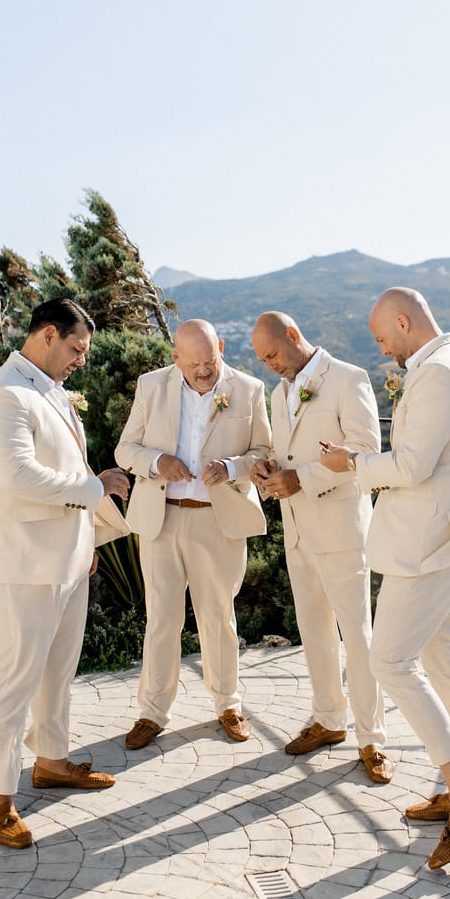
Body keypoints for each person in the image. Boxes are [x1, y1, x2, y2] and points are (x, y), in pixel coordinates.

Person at [321, 287, 450, 870]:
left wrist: (350, 463)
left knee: (390, 661)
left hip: (427, 544)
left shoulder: (440, 374)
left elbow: (410, 465)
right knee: (445, 662)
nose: (382, 350)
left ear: (403, 322)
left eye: (382, 337)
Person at [0, 298, 130, 849]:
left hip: (67, 557)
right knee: (15, 677)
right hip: (24, 561)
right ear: (48, 335)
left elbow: (62, 465)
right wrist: (96, 488)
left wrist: (87, 538)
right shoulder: (2, 394)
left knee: (58, 670)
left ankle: (52, 762)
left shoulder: (50, 388)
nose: (81, 359)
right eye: (77, 348)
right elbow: (19, 477)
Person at [115, 318, 271, 749]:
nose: (204, 371)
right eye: (194, 364)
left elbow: (265, 451)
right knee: (162, 618)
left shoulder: (249, 390)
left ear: (221, 347)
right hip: (161, 519)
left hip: (217, 520)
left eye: (210, 361)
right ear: (175, 358)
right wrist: (157, 462)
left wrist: (232, 468)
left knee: (218, 616)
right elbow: (125, 449)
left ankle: (228, 704)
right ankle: (152, 712)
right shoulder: (151, 386)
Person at [250, 312, 391, 784]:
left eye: (273, 354)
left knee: (358, 636)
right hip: (297, 531)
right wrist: (270, 469)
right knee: (314, 631)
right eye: (263, 360)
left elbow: (365, 453)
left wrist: (302, 479)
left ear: (294, 335)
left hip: (342, 530)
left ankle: (372, 738)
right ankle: (329, 719)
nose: (271, 365)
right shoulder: (278, 394)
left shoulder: (349, 379)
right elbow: (287, 453)